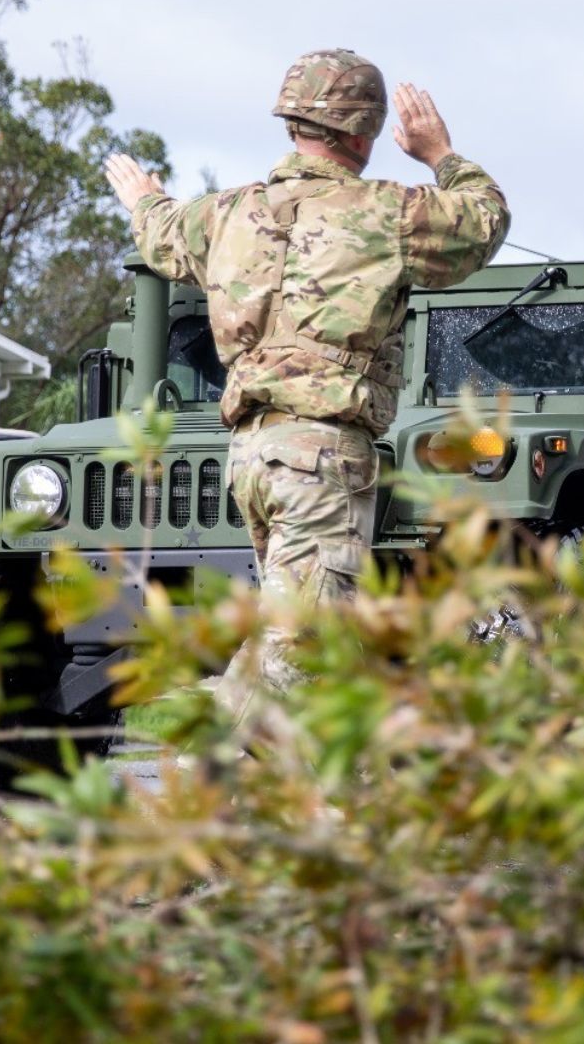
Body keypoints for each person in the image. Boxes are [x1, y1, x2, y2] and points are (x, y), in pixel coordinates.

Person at [103, 49, 509, 720]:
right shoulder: (387, 213)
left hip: (251, 457)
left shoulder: (224, 214)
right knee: (304, 644)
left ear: (292, 122)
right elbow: (484, 220)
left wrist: (145, 198)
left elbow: (162, 236)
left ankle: (295, 799)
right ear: (364, 134)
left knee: (307, 635)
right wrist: (441, 153)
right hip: (320, 453)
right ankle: (215, 780)